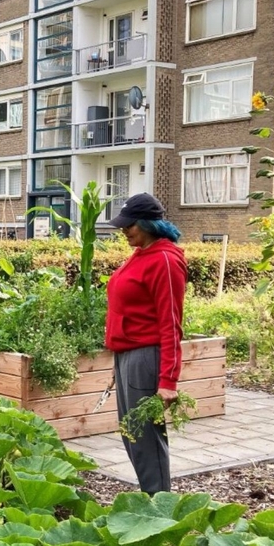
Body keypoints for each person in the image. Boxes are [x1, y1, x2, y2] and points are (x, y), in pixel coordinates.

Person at [105, 193, 187, 495]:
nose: (124, 231)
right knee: (132, 435)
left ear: (148, 223)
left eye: (130, 225)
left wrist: (168, 380)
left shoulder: (164, 260)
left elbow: (171, 323)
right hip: (129, 355)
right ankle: (151, 497)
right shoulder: (142, 253)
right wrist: (119, 359)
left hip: (146, 357)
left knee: (146, 439)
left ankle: (160, 506)